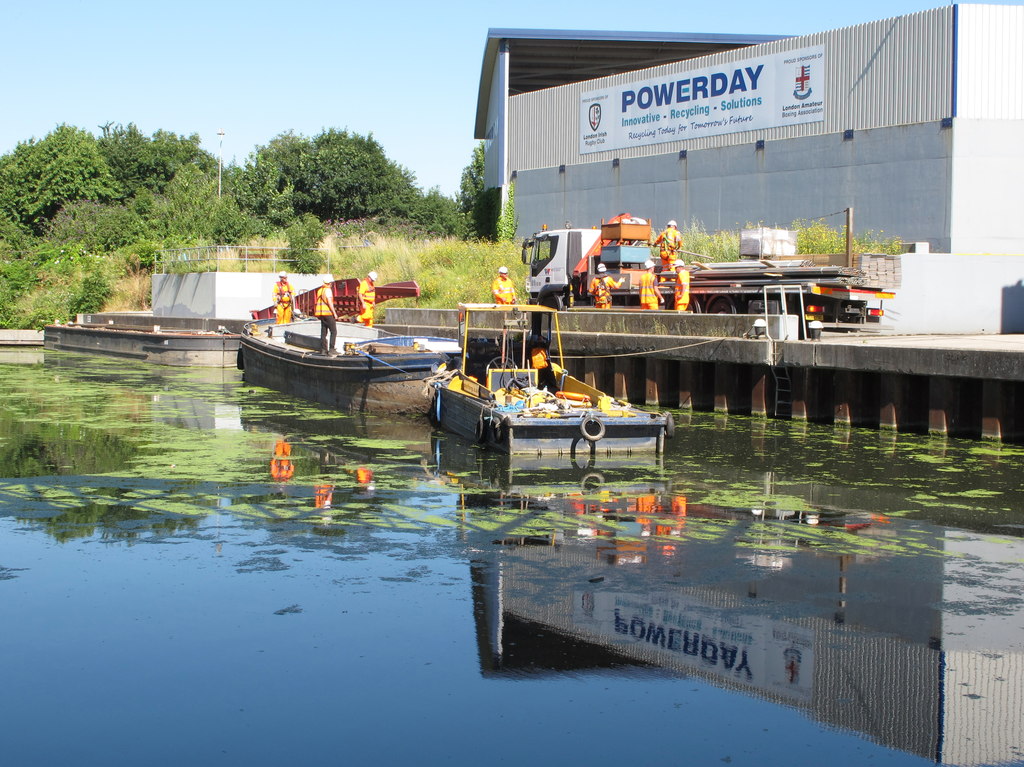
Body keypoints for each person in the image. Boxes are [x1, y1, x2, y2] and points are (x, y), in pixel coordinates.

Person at [314, 275, 339, 355]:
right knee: (333, 331)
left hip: (321, 314)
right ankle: (332, 349)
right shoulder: (328, 290)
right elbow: (330, 303)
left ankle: (323, 350)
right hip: (328, 313)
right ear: (329, 283)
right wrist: (334, 313)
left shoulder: (320, 290)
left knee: (323, 332)